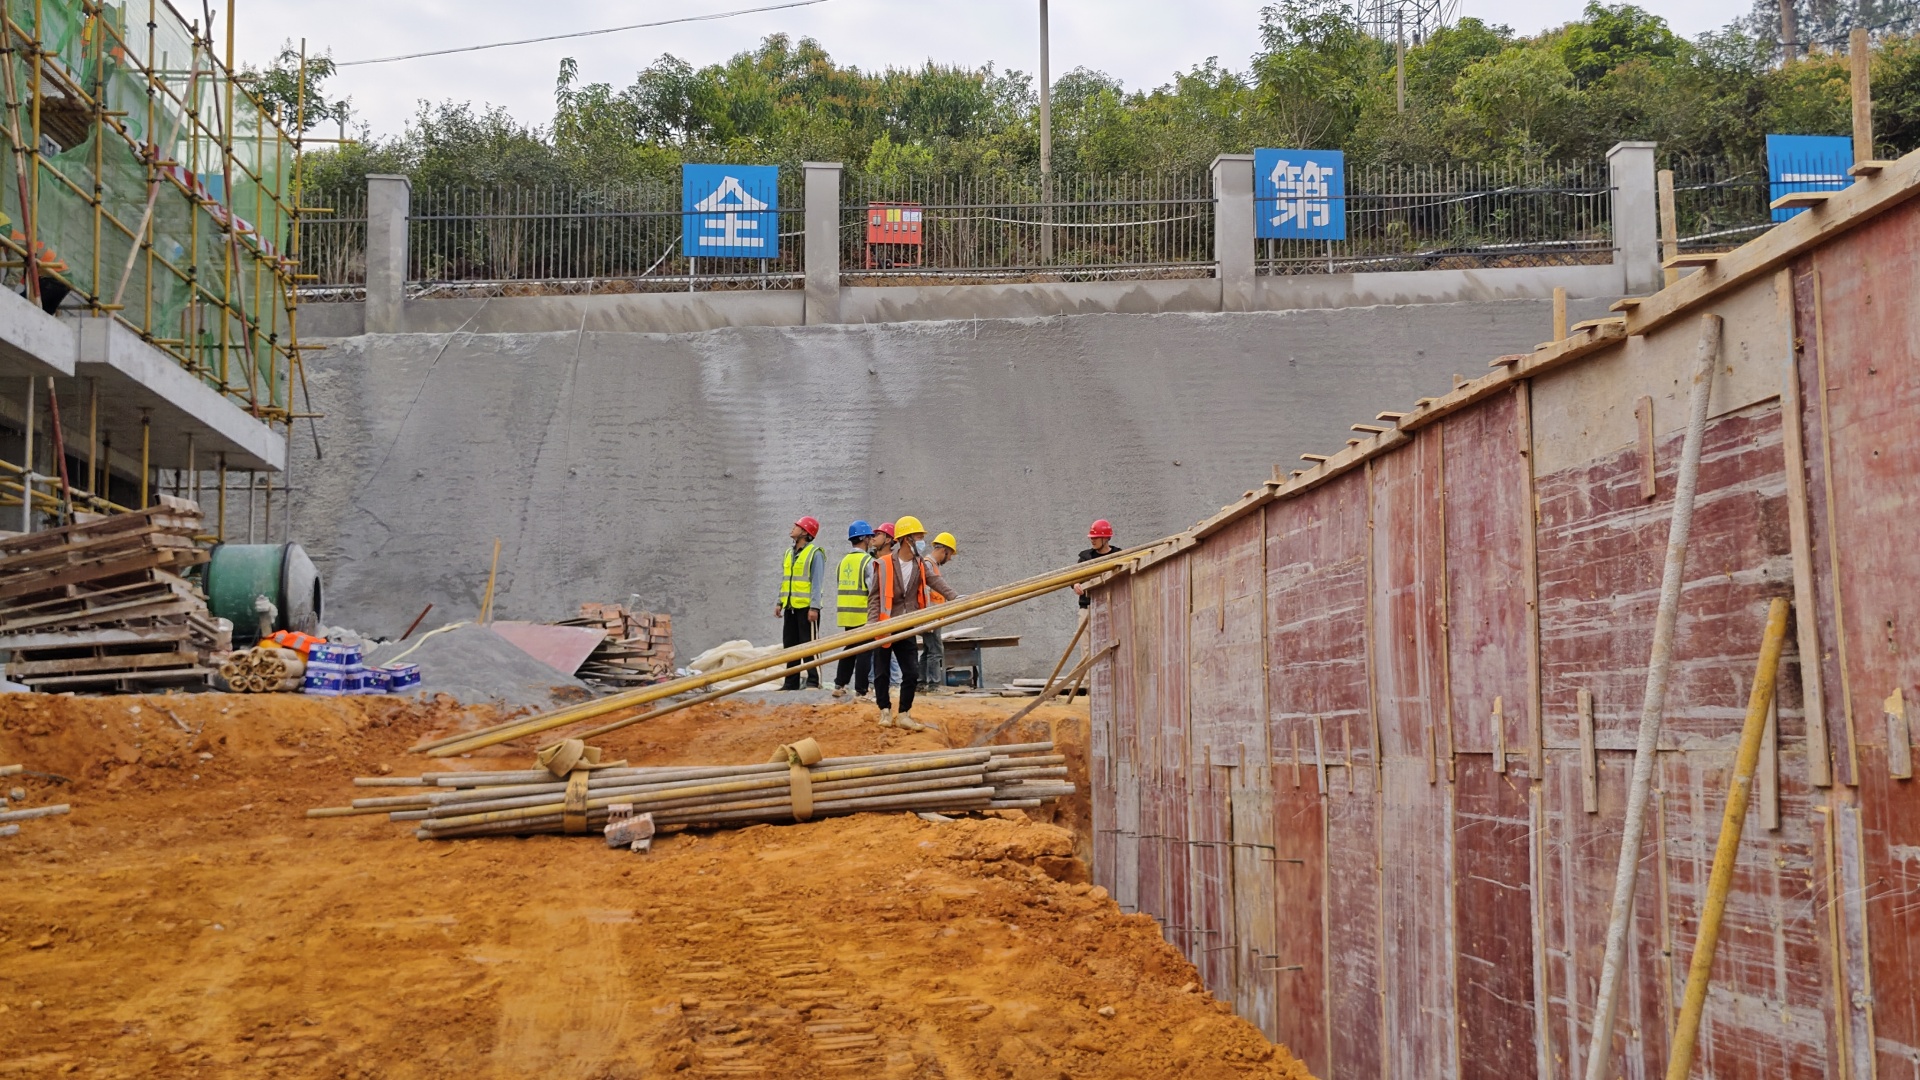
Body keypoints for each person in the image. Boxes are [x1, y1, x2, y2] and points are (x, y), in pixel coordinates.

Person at [868, 515, 955, 731]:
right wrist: (872, 624)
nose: (922, 541)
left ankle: (904, 713)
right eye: (918, 537)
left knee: (911, 672)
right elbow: (875, 597)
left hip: (907, 624)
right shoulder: (884, 563)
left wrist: (956, 597)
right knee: (882, 672)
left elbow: (936, 581)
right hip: (885, 624)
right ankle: (885, 711)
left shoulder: (919, 564)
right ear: (907, 539)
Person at [776, 515, 826, 690]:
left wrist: (814, 607)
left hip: (806, 609)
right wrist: (780, 602)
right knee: (790, 645)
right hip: (790, 607)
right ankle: (791, 682)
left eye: (797, 526)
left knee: (809, 645)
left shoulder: (815, 553)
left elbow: (817, 582)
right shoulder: (789, 553)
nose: (793, 528)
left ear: (805, 532)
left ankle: (814, 681)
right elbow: (786, 580)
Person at [831, 521, 877, 700]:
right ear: (865, 538)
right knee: (865, 651)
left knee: (849, 648)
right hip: (862, 614)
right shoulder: (868, 561)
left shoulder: (843, 562)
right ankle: (861, 690)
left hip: (845, 614)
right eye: (870, 537)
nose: (872, 540)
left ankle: (839, 684)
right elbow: (873, 589)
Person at [920, 532, 959, 693]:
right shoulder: (928, 564)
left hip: (932, 616)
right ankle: (933, 686)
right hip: (931, 616)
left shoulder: (930, 564)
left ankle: (921, 683)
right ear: (944, 550)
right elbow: (926, 591)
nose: (949, 559)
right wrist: (928, 619)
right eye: (949, 555)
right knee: (935, 650)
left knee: (928, 650)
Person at [1073, 519, 1117, 608]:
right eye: (1091, 537)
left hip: (1113, 604)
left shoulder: (1118, 556)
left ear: (1105, 538)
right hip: (1087, 605)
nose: (1092, 540)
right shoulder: (1085, 558)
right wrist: (1075, 584)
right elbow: (1073, 577)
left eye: (1095, 537)